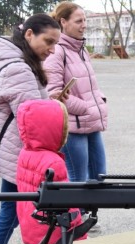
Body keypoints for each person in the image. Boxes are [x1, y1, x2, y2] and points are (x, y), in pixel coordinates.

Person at [0, 13, 63, 244]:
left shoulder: (12, 60)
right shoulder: (19, 69)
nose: (52, 49)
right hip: (19, 154)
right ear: (29, 34)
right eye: (49, 41)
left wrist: (48, 101)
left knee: (9, 215)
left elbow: (27, 107)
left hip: (12, 150)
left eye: (56, 43)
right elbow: (34, 122)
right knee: (8, 217)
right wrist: (57, 111)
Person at [44, 1, 108, 184]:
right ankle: (77, 214)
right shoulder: (57, 51)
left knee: (99, 178)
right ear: (63, 22)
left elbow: (88, 87)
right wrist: (85, 108)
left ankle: (91, 214)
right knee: (77, 183)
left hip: (91, 124)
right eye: (79, 21)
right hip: (72, 129)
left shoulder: (81, 50)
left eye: (85, 20)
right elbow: (53, 93)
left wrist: (99, 102)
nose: (84, 25)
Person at [16, 99, 84, 244]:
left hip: (32, 226)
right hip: (54, 233)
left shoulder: (25, 153)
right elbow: (67, 205)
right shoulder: (54, 163)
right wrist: (80, 233)